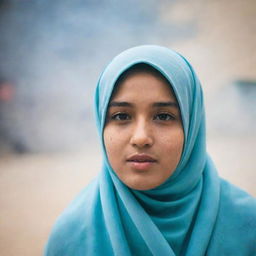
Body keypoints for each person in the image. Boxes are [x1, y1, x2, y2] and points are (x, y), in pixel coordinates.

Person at [44, 45, 256, 256]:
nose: (141, 138)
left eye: (164, 116)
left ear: (192, 127)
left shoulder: (247, 225)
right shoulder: (71, 237)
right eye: (121, 116)